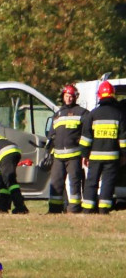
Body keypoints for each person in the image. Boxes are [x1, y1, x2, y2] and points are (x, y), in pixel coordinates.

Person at [79, 80, 125, 214]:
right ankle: (103, 209)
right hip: (112, 156)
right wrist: (124, 155)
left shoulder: (93, 114)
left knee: (91, 182)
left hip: (94, 156)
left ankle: (87, 209)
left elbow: (86, 138)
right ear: (113, 95)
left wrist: (84, 155)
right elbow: (123, 139)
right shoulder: (119, 114)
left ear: (99, 96)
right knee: (107, 182)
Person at [45, 83, 88, 214]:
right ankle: (54, 209)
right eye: (66, 95)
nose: (69, 98)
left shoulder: (82, 113)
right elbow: (52, 135)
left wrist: (85, 153)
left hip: (74, 155)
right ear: (63, 96)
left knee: (74, 182)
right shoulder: (57, 114)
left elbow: (87, 134)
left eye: (71, 96)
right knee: (56, 182)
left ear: (76, 97)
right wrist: (48, 152)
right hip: (58, 156)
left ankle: (74, 209)